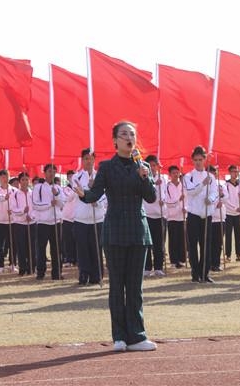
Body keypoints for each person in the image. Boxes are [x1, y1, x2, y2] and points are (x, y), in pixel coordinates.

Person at [75, 120, 158, 352]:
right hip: (114, 231)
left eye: (132, 133)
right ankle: (119, 337)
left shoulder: (142, 166)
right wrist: (83, 194)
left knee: (135, 287)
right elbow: (95, 193)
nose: (129, 137)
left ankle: (138, 336)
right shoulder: (107, 167)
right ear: (115, 141)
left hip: (138, 231)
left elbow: (151, 197)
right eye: (124, 134)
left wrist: (144, 176)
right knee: (117, 286)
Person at [183, 145, 218, 283]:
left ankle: (205, 273)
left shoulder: (210, 176)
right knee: (193, 245)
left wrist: (211, 199)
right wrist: (203, 184)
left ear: (205, 160)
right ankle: (195, 273)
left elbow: (215, 192)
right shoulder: (188, 176)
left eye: (200, 159)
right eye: (195, 159)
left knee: (206, 244)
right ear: (193, 160)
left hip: (206, 214)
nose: (198, 162)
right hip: (193, 214)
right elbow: (190, 191)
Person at [72, 149, 107, 285]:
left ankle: (97, 275)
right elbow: (78, 193)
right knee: (83, 249)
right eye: (85, 158)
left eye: (90, 158)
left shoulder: (101, 177)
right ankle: (84, 275)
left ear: (94, 160)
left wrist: (96, 200)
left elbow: (105, 197)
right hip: (81, 219)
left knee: (96, 247)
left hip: (97, 219)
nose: (88, 161)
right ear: (82, 160)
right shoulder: (76, 177)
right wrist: (89, 193)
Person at [32, 164, 65, 280]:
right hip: (42, 223)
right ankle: (40, 272)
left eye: (54, 172)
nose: (52, 174)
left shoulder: (58, 188)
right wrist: (48, 205)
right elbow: (35, 204)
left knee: (57, 249)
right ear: (44, 173)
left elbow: (63, 203)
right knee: (41, 249)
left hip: (56, 222)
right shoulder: (38, 187)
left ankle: (57, 273)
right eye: (50, 171)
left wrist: (57, 195)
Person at [143, 154, 167, 277]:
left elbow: (167, 194)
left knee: (159, 243)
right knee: (147, 243)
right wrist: (153, 183)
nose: (153, 168)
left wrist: (163, 199)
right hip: (147, 214)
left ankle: (158, 267)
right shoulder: (143, 178)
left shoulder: (163, 178)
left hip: (160, 214)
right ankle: (147, 267)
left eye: (154, 165)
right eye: (150, 165)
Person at [10, 172, 36, 276]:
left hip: (31, 223)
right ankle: (22, 267)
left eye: (26, 179)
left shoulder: (33, 193)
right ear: (19, 181)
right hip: (19, 223)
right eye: (23, 180)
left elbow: (36, 207)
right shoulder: (15, 194)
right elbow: (13, 209)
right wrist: (22, 211)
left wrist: (32, 216)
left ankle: (31, 267)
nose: (25, 182)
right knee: (21, 247)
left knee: (32, 246)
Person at [164, 165, 186, 268]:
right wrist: (178, 201)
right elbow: (168, 202)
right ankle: (173, 260)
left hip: (182, 216)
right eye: (173, 173)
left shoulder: (183, 186)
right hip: (172, 216)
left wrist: (185, 207)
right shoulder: (168, 186)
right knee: (173, 239)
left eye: (177, 172)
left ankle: (181, 259)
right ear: (170, 175)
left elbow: (188, 199)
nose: (176, 175)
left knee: (182, 238)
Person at [223, 165, 240, 262]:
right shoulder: (225, 185)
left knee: (239, 235)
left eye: (236, 171)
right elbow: (226, 200)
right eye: (233, 171)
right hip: (228, 213)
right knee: (228, 235)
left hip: (239, 213)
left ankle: (239, 254)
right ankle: (228, 255)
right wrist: (235, 208)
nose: (235, 173)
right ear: (229, 172)